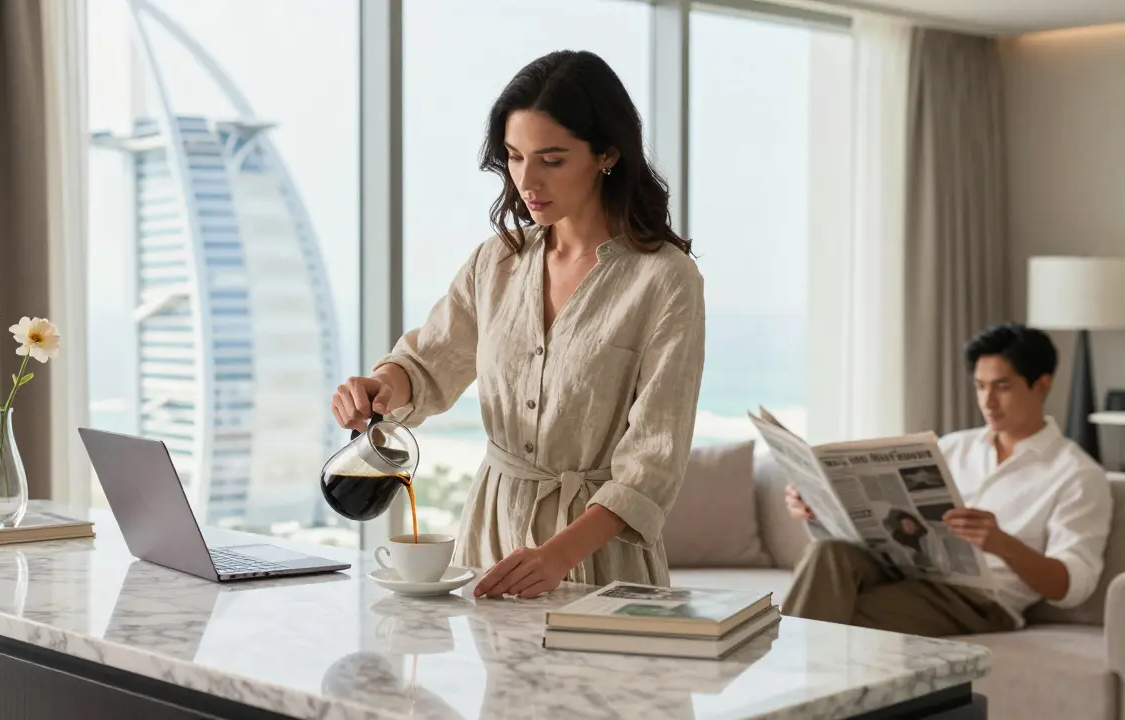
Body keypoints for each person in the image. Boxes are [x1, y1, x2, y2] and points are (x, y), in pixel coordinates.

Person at [329, 50, 705, 599]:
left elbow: (653, 462)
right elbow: (429, 364)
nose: (527, 180)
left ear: (607, 154)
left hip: (599, 557)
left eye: (551, 159)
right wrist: (381, 386)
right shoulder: (497, 261)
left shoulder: (667, 281)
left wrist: (558, 556)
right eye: (513, 157)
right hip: (491, 537)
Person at [781, 323, 1112, 636]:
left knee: (838, 615)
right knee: (827, 552)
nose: (987, 401)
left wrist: (1002, 544)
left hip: (979, 600)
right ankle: (786, 678)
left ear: (1041, 385)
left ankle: (779, 679)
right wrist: (820, 503)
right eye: (980, 387)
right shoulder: (953, 447)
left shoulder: (1077, 475)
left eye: (1002, 386)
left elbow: (1072, 586)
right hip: (908, 569)